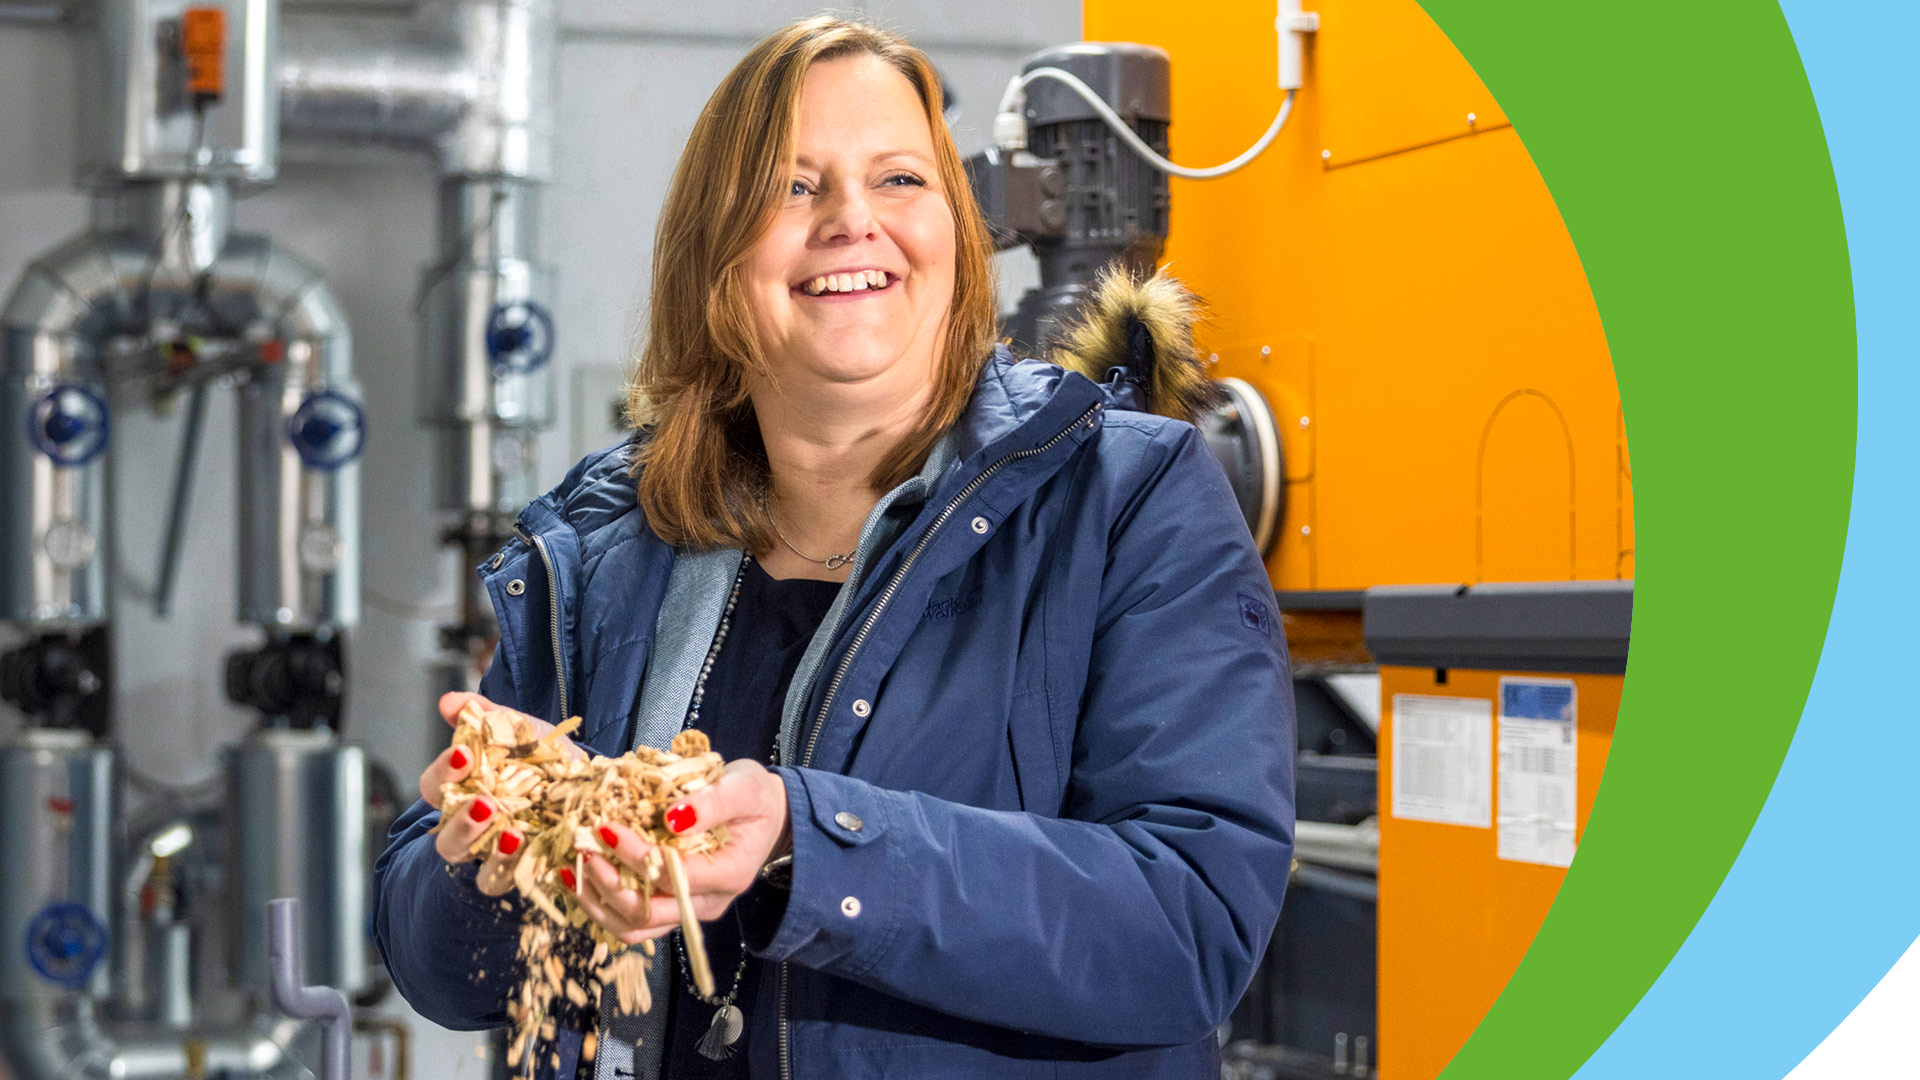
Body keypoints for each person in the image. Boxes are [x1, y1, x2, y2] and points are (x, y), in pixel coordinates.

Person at [373, 15, 1295, 1080]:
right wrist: (484, 860)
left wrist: (806, 843)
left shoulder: (1130, 500)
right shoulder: (605, 550)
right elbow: (442, 975)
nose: (852, 221)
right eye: (792, 187)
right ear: (714, 259)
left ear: (957, 230)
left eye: (899, 179)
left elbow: (1190, 924)